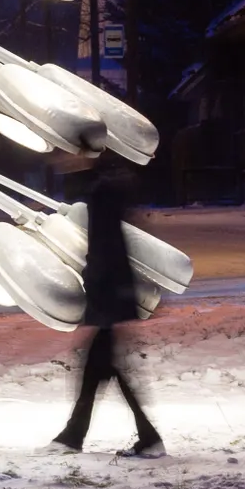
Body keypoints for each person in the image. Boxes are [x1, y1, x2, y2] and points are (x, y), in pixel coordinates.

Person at [53, 152, 165, 460]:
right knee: (99, 367)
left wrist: (96, 285)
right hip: (113, 290)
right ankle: (75, 435)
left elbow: (104, 246)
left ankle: (78, 435)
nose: (63, 159)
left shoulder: (100, 192)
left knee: (103, 366)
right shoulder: (107, 188)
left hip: (107, 291)